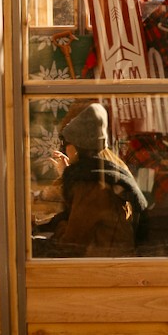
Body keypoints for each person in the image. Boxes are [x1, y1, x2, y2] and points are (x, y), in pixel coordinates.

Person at [45, 102, 148, 257]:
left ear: (76, 147)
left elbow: (71, 243)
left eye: (66, 143)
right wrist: (66, 174)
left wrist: (58, 227)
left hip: (103, 264)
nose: (64, 148)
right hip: (113, 257)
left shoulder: (91, 183)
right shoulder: (110, 167)